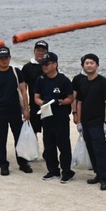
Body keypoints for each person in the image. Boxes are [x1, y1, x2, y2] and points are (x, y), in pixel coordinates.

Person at [0, 46, 33, 176]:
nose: (4, 60)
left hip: (15, 112)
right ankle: (3, 164)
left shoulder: (16, 72)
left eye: (6, 57)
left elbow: (24, 91)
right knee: (1, 140)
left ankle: (22, 163)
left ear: (10, 58)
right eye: (1, 58)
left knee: (19, 138)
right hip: (0, 112)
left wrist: (26, 109)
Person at [33, 51, 75, 183]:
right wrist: (42, 103)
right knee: (49, 145)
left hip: (60, 117)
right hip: (47, 116)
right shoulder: (41, 79)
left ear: (55, 64)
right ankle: (53, 170)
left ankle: (67, 171)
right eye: (43, 64)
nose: (44, 66)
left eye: (47, 64)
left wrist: (60, 102)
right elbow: (36, 97)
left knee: (63, 146)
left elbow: (71, 98)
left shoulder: (63, 80)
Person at [75, 53, 106, 191]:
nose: (89, 65)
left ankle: (104, 179)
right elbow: (79, 102)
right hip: (85, 121)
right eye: (87, 63)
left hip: (98, 122)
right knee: (90, 148)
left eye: (92, 63)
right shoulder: (82, 82)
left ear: (97, 65)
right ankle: (97, 173)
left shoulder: (103, 82)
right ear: (83, 66)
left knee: (99, 150)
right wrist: (78, 121)